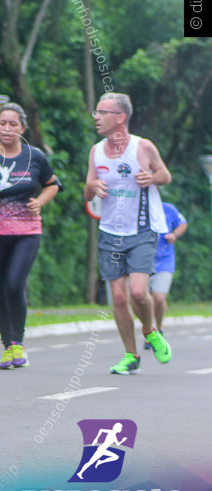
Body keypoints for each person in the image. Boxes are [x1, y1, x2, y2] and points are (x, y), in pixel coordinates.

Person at [84, 92, 172, 375]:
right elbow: (86, 188)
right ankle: (130, 355)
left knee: (138, 293)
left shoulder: (143, 147)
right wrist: (94, 187)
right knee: (119, 298)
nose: (96, 117)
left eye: (102, 112)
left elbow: (165, 176)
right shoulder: (96, 151)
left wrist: (152, 177)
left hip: (142, 229)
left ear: (120, 117)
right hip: (110, 231)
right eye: (96, 112)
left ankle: (150, 330)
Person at [0, 103, 61, 370]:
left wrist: (40, 201)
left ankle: (18, 343)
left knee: (13, 284)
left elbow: (53, 184)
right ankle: (7, 346)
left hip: (26, 231)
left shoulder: (35, 157)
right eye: (2, 124)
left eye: (12, 124)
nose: (7, 129)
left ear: (22, 128)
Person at [144, 202, 187, 348]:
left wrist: (174, 235)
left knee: (159, 297)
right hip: (143, 259)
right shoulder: (140, 208)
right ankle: (150, 331)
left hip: (165, 259)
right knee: (143, 298)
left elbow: (183, 223)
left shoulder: (168, 209)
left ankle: (159, 327)